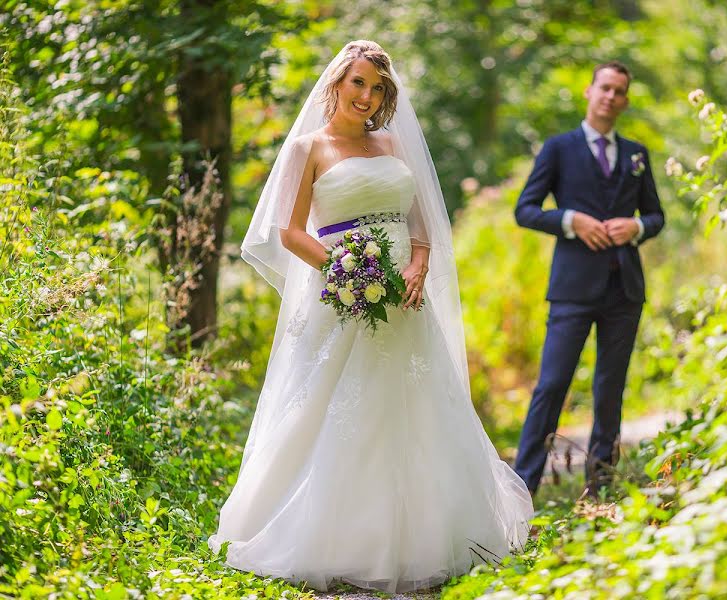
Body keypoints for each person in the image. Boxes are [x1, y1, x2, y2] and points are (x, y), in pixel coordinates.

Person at [207, 41, 533, 594]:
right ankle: (332, 535)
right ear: (336, 83)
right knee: (331, 406)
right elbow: (288, 233)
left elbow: (420, 225)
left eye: (377, 88)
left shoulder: (391, 144)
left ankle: (425, 534)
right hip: (341, 293)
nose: (367, 96)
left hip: (404, 296)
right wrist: (343, 271)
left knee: (412, 405)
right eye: (358, 83)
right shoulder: (308, 148)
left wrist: (418, 265)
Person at [512, 61, 665, 496]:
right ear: (589, 91)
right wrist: (570, 220)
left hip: (625, 289)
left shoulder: (637, 153)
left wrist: (637, 228)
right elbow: (525, 209)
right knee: (552, 384)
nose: (611, 97)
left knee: (609, 387)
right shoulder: (559, 148)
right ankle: (523, 487)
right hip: (572, 290)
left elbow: (656, 215)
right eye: (605, 88)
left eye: (619, 91)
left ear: (625, 100)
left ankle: (599, 487)